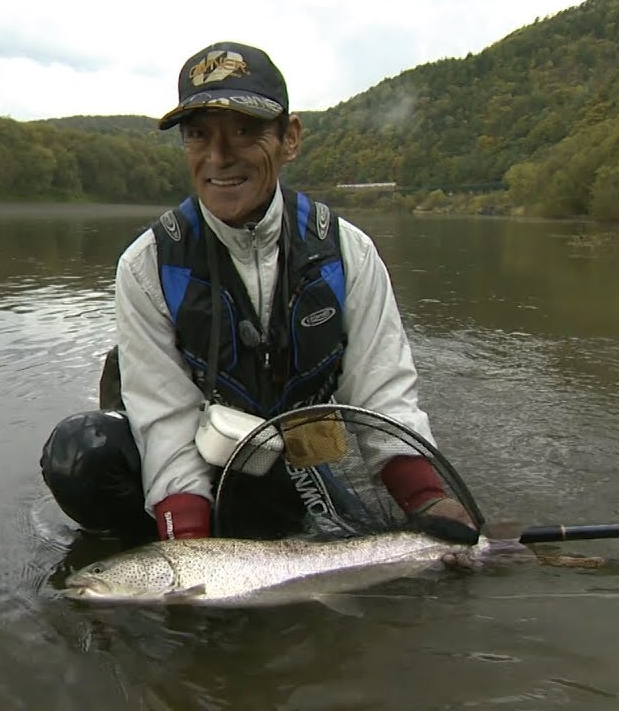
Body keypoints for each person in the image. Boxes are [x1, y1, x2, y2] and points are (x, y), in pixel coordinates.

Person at [40, 40, 479, 552]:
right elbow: (165, 421)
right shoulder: (146, 265)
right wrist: (187, 552)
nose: (218, 158)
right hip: (184, 453)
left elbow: (384, 395)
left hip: (281, 458)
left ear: (289, 139)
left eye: (245, 132)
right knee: (80, 454)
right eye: (198, 136)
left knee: (322, 533)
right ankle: (142, 540)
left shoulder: (348, 252)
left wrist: (429, 501)